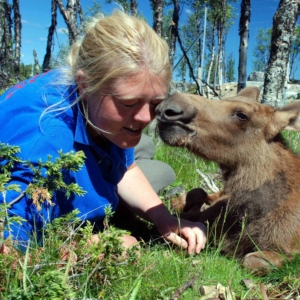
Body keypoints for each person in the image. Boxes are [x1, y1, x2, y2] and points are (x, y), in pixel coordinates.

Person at [0, 10, 206, 254]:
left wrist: (163, 218)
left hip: (94, 134)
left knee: (146, 149)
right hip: (49, 149)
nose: (145, 117)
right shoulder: (46, 140)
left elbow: (127, 168)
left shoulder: (96, 99)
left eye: (154, 103)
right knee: (161, 171)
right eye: (129, 103)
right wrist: (92, 246)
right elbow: (10, 246)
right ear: (85, 84)